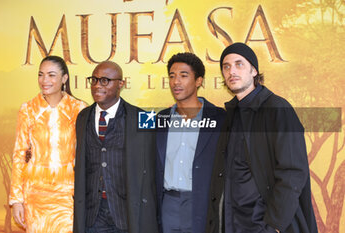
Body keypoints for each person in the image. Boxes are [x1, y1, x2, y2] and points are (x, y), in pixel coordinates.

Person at [206, 43, 318, 233]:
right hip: (231, 223)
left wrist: (275, 225)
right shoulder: (231, 115)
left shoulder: (277, 109)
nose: (231, 71)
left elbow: (293, 172)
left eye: (239, 64)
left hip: (263, 225)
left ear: (254, 71)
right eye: (226, 66)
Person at [73, 61, 158, 233]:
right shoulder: (82, 117)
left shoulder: (143, 117)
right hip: (92, 216)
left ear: (121, 84)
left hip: (127, 214)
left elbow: (152, 168)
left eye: (105, 80)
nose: (97, 85)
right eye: (94, 80)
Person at [9, 56, 87, 232]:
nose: (45, 80)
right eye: (41, 75)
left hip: (68, 193)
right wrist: (16, 200)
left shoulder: (79, 109)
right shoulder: (28, 110)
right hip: (35, 194)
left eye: (51, 75)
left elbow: (85, 155)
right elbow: (19, 154)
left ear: (64, 78)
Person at [156, 52, 226, 233]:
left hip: (202, 203)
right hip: (167, 204)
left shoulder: (221, 118)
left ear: (198, 81)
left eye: (183, 76)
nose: (176, 82)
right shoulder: (159, 119)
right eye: (172, 76)